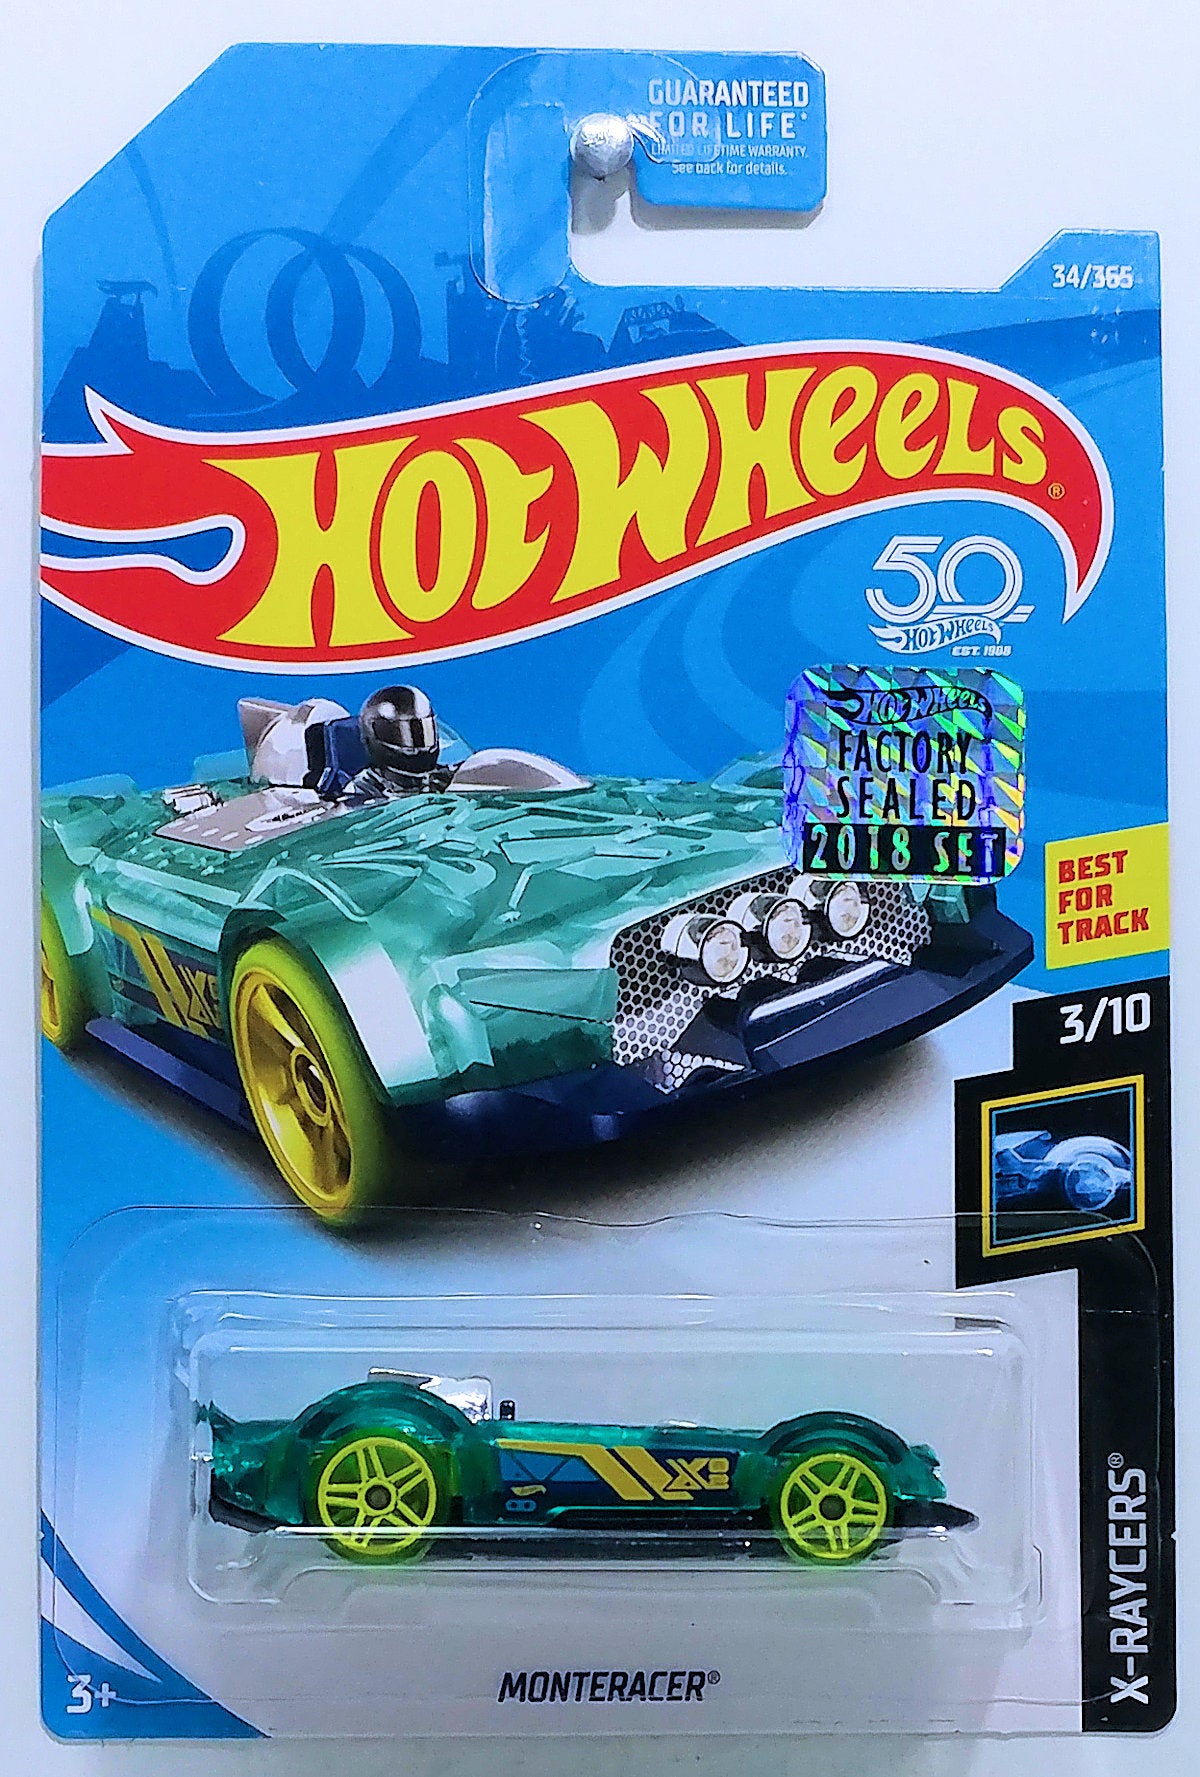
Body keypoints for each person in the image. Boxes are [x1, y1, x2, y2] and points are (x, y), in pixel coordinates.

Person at [344, 685, 454, 799]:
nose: (418, 746)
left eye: (423, 731)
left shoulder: (442, 777)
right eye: (402, 733)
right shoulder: (362, 789)